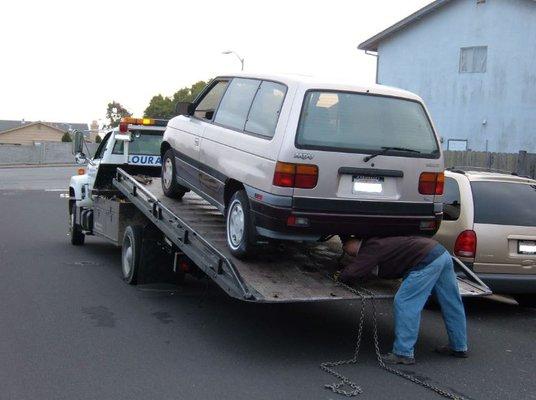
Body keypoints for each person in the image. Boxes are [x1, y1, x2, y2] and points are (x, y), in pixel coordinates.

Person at [338, 236, 468, 365]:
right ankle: (459, 346)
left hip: (425, 260)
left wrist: (339, 276)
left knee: (405, 302)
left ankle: (403, 353)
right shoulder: (379, 242)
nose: (344, 249)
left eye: (345, 245)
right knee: (451, 302)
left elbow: (354, 271)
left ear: (355, 243)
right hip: (441, 254)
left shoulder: (370, 247)